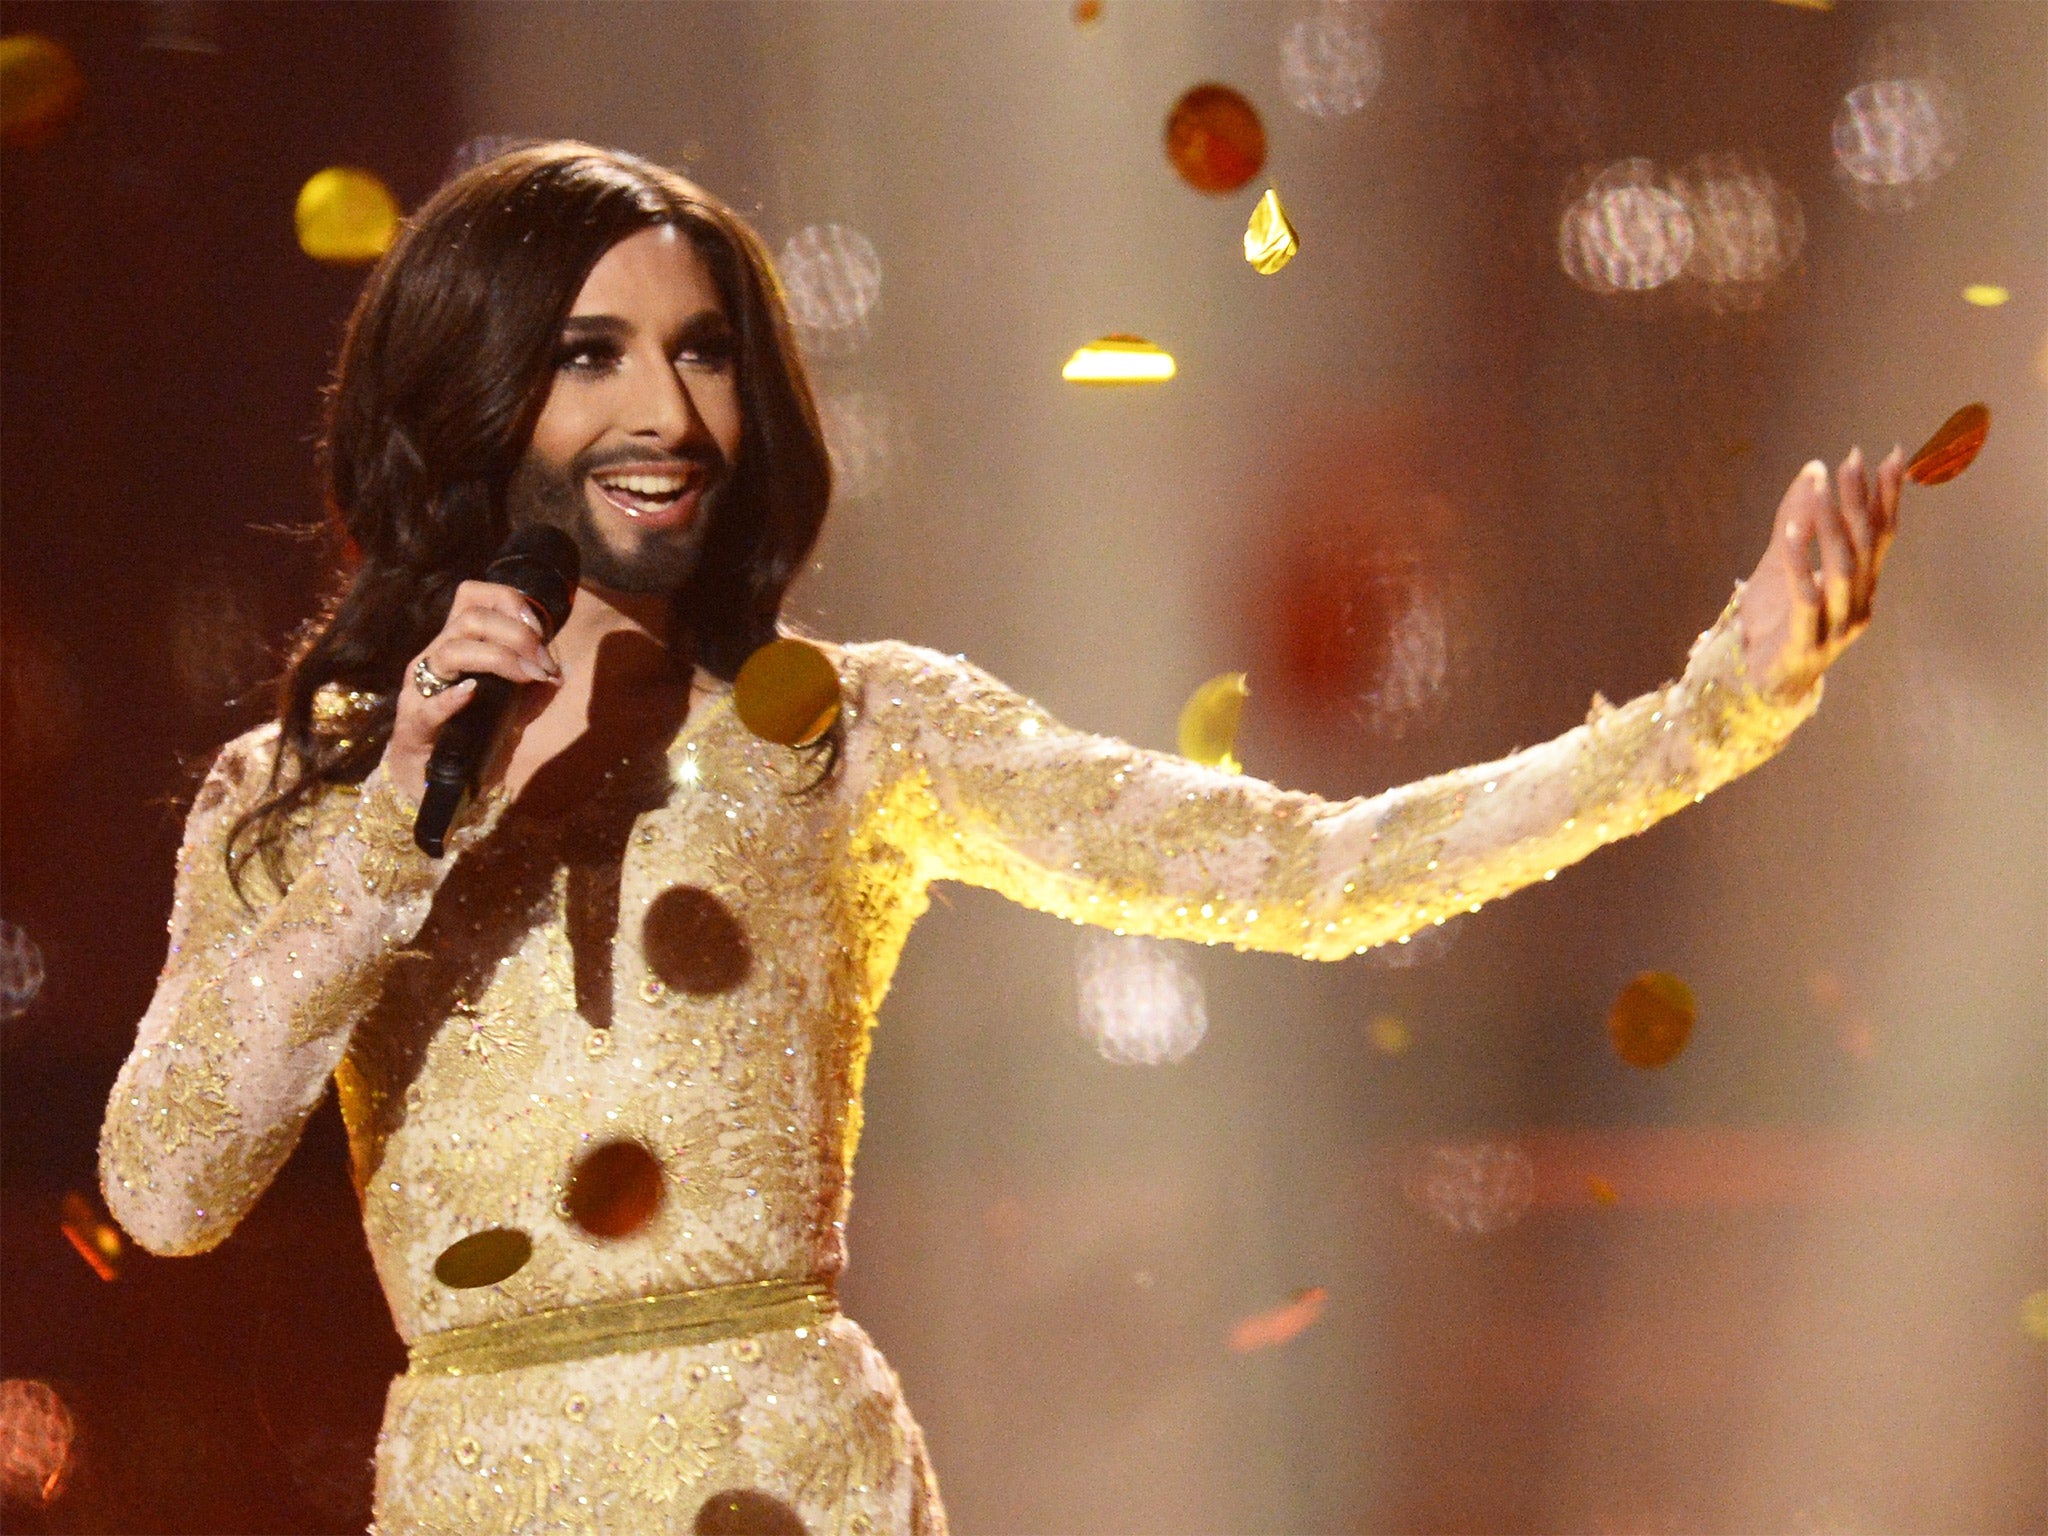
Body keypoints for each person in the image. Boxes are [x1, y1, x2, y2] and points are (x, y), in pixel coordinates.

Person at [99, 142, 1902, 1535]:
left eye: (706, 354)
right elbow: (167, 1197)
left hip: (792, 1476)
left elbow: (1312, 877)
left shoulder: (851, 730)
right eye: (593, 357)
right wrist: (398, 828)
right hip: (482, 1486)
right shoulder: (299, 802)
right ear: (473, 395)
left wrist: (1709, 715)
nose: (668, 414)